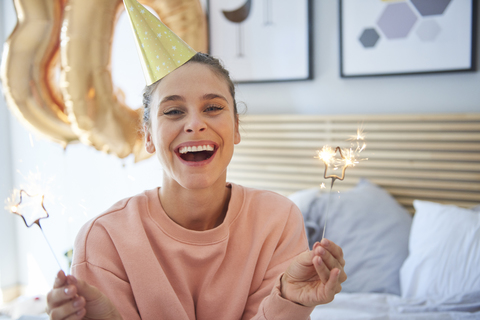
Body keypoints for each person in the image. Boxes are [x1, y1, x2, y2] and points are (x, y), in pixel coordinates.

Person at [46, 1, 346, 319]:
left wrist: (290, 299)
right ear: (147, 136)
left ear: (236, 127)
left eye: (213, 108)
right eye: (174, 111)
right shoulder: (103, 239)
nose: (194, 124)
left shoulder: (278, 220)